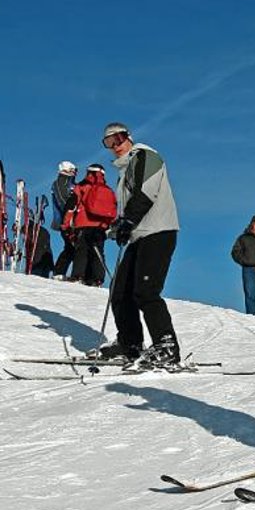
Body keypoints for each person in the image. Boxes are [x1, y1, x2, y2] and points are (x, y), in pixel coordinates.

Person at [95, 122, 181, 368]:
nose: (115, 145)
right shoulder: (125, 171)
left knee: (146, 291)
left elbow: (146, 193)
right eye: (109, 143)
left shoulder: (145, 156)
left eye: (118, 138)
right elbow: (128, 211)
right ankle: (130, 344)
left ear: (129, 137)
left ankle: (167, 347)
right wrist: (110, 231)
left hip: (159, 232)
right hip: (139, 235)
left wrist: (129, 220)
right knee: (120, 292)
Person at [67, 164, 117, 286]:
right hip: (101, 226)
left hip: (83, 223)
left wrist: (67, 225)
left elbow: (72, 206)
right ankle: (97, 278)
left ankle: (78, 276)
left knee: (82, 250)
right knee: (98, 251)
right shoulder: (108, 190)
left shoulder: (82, 186)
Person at [50, 161, 77, 279]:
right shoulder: (61, 182)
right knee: (71, 247)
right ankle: (59, 272)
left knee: (74, 247)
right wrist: (71, 213)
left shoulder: (72, 184)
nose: (75, 172)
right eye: (72, 170)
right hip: (65, 220)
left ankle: (61, 272)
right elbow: (63, 201)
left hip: (73, 220)